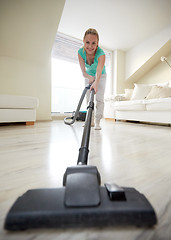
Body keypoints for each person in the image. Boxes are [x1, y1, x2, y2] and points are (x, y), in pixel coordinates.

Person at [78, 28, 106, 130]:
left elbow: (99, 70)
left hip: (101, 76)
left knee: (99, 98)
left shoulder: (101, 53)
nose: (90, 46)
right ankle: (90, 121)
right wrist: (90, 77)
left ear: (97, 43)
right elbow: (83, 72)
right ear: (83, 41)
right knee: (88, 98)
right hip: (88, 75)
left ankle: (97, 121)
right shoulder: (80, 52)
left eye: (93, 43)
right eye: (87, 42)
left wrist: (96, 82)